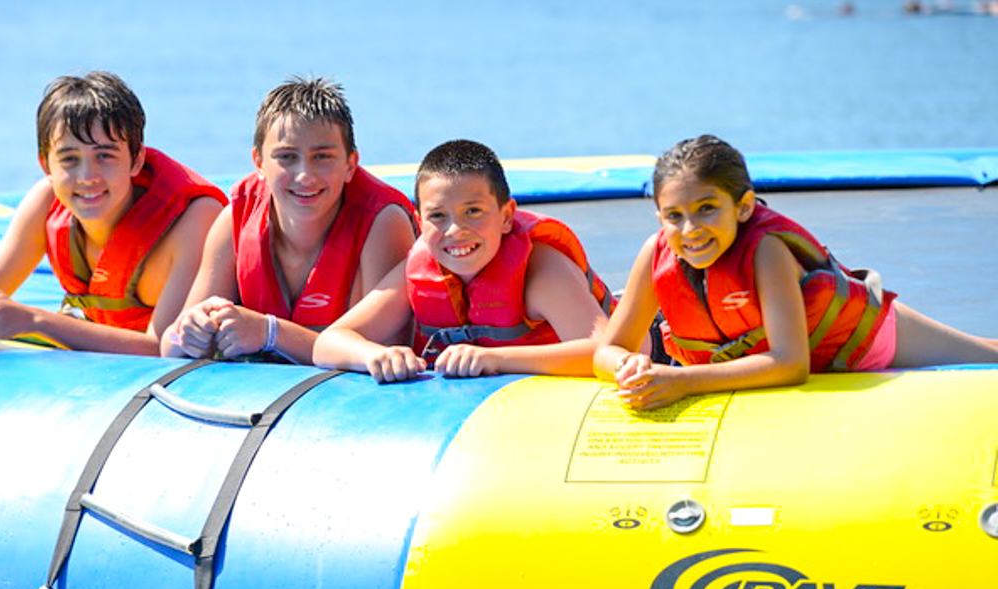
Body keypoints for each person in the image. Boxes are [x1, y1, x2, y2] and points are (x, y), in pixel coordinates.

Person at [594, 134, 998, 410]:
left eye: (707, 209)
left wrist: (682, 381)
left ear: (745, 207)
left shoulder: (766, 251)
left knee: (989, 357)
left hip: (867, 340)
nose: (690, 229)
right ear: (659, 217)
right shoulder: (655, 253)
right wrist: (630, 367)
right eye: (674, 216)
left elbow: (790, 364)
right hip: (758, 359)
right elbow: (607, 350)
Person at [0, 71, 227, 354]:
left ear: (136, 160)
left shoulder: (194, 218)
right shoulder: (46, 203)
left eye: (105, 155)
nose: (87, 176)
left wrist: (34, 321)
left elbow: (163, 349)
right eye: (69, 159)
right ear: (46, 166)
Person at [161, 76, 417, 364]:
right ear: (259, 163)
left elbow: (383, 355)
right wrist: (189, 331)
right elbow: (168, 346)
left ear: (350, 164)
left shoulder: (383, 223)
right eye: (286, 157)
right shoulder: (235, 219)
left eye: (322, 156)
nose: (305, 175)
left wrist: (269, 333)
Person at [313, 139, 613, 383]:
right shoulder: (418, 270)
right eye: (438, 216)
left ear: (506, 216)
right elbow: (328, 344)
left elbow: (606, 351)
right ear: (419, 222)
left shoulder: (541, 270)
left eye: (473, 212)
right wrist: (373, 355)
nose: (455, 231)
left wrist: (495, 360)